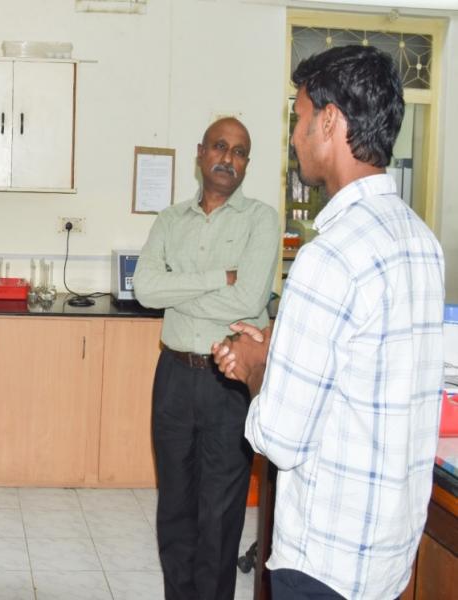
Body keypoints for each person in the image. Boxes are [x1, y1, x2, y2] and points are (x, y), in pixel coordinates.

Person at [212, 45, 444, 600]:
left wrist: (256, 366)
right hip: (387, 551)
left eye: (298, 116)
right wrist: (289, 347)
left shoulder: (329, 256)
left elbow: (282, 437)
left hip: (326, 559)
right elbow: (369, 368)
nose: (293, 136)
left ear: (330, 121)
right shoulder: (421, 243)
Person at [132, 117, 279, 600]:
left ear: (246, 164)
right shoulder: (170, 220)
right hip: (173, 375)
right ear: (200, 153)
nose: (228, 159)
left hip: (228, 384)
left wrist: (179, 290)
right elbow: (146, 289)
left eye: (239, 152)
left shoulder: (261, 218)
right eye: (220, 147)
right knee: (174, 508)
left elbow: (249, 298)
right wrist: (221, 277)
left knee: (219, 514)